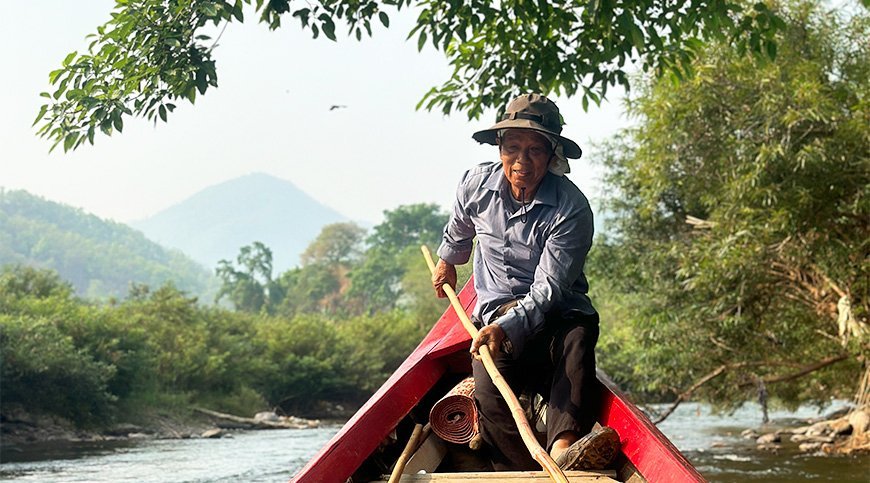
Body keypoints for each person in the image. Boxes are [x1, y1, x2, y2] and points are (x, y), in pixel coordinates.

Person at [431, 93, 619, 471]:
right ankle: (522, 471)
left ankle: (564, 446)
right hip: (496, 314)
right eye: (512, 147)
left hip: (555, 315)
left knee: (578, 338)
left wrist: (505, 326)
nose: (521, 161)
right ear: (499, 147)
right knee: (488, 384)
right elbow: (460, 231)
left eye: (535, 150)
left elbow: (549, 290)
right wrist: (447, 261)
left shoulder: (571, 207)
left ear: (552, 156)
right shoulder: (474, 185)